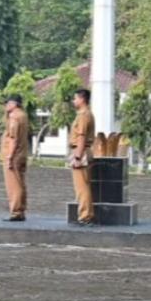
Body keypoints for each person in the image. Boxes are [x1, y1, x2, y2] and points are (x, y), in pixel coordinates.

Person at [0, 95, 30, 222]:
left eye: (7, 103)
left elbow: (13, 138)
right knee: (20, 183)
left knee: (13, 185)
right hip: (22, 153)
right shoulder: (23, 115)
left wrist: (9, 157)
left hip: (14, 155)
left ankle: (16, 211)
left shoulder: (14, 117)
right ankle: (21, 209)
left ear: (14, 104)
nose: (5, 106)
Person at [70, 89, 96, 226]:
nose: (74, 101)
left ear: (82, 99)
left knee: (82, 187)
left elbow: (81, 137)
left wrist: (78, 157)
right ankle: (85, 215)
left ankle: (85, 216)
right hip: (84, 150)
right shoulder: (85, 114)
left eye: (75, 98)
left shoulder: (83, 115)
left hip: (81, 151)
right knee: (83, 186)